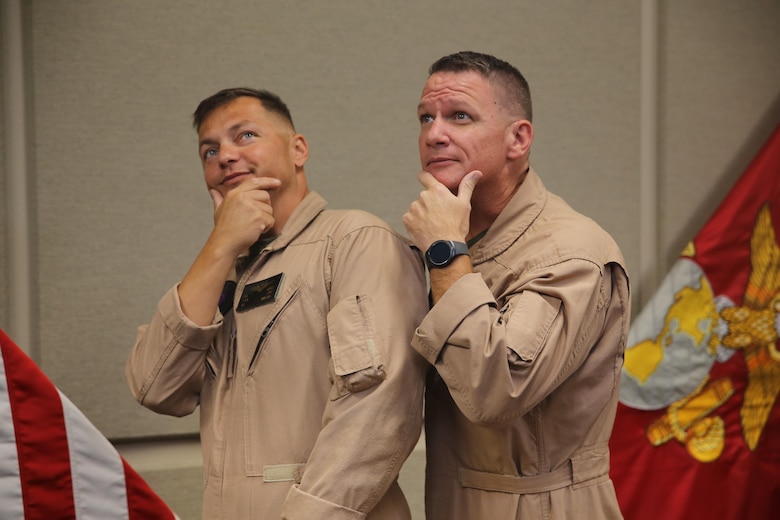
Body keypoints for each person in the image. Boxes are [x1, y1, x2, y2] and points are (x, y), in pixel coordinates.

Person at [126, 87, 429, 519]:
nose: (225, 156)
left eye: (245, 135)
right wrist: (220, 248)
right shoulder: (223, 269)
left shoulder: (354, 240)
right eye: (209, 151)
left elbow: (379, 411)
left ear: (298, 149)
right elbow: (155, 388)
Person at [402, 51, 630, 519]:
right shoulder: (453, 234)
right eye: (426, 117)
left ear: (518, 138)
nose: (434, 134)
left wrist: (445, 251)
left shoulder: (571, 250)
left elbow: (496, 389)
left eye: (459, 116)